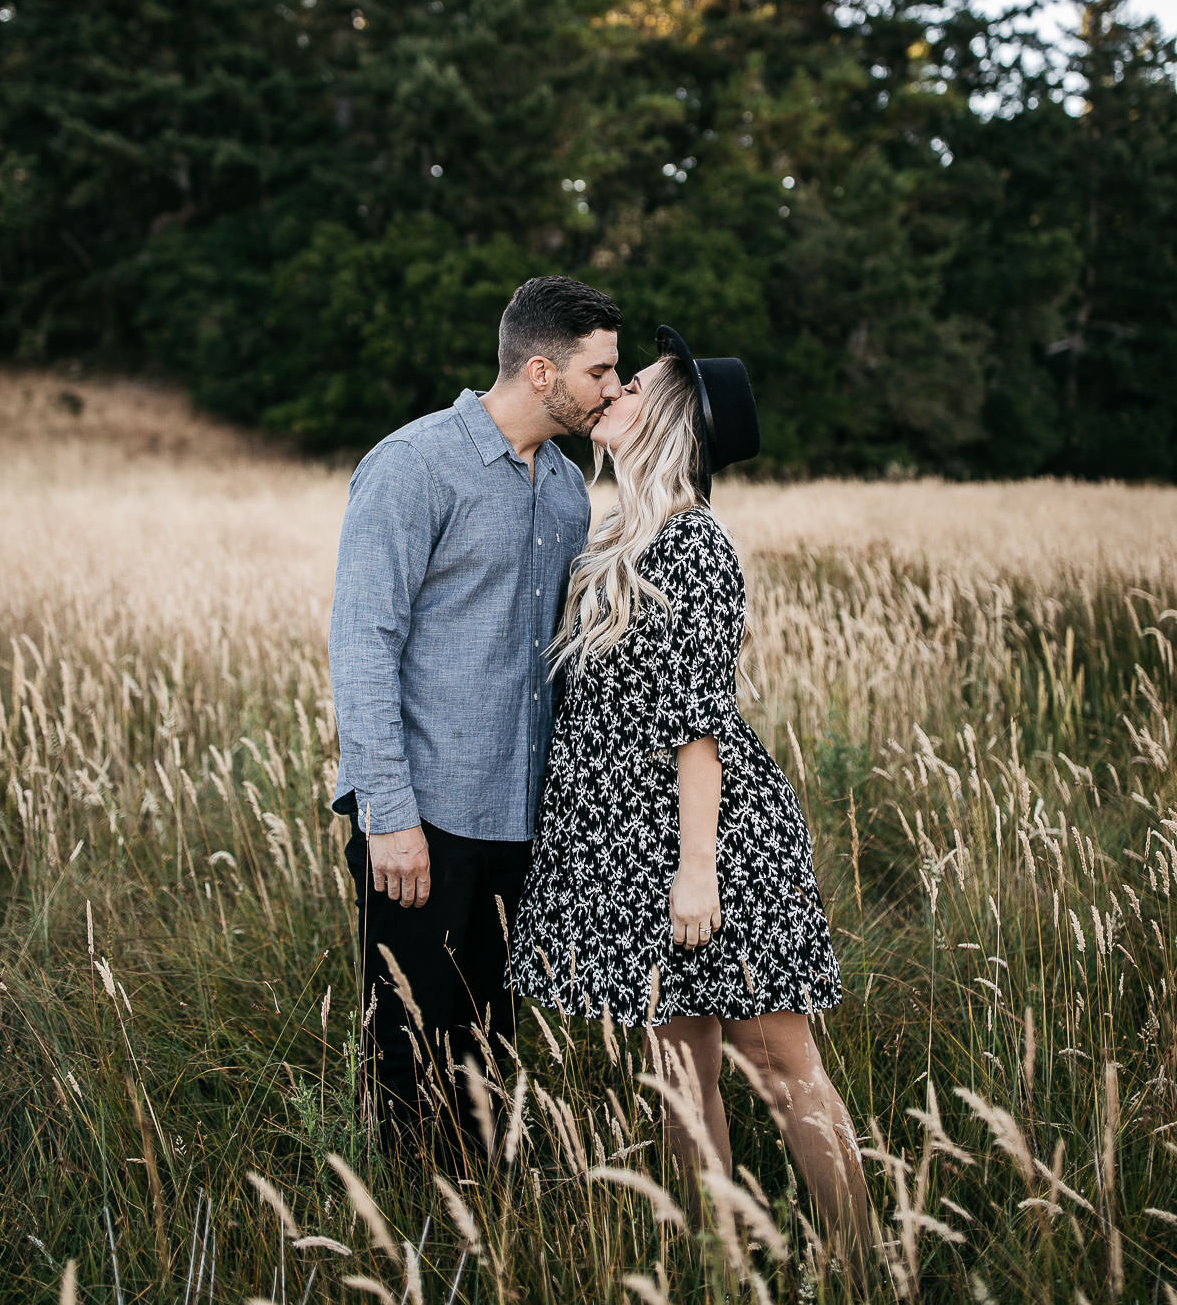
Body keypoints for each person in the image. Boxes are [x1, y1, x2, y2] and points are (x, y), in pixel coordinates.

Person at [511, 326, 870, 1267]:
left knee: (782, 1068)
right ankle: (715, 1262)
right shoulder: (621, 536)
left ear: (664, 418)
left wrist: (696, 870)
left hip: (708, 847)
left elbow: (696, 724)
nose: (610, 396)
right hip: (636, 847)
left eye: (630, 389)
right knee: (680, 1074)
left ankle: (867, 1263)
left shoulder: (694, 545)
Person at [329, 275, 622, 1149]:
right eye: (601, 372)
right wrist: (388, 818)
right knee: (408, 1044)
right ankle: (409, 1237)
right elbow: (363, 642)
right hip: (424, 817)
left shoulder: (569, 487)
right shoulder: (413, 465)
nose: (613, 389)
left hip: (520, 818)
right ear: (542, 371)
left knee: (487, 1044)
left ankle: (482, 1217)